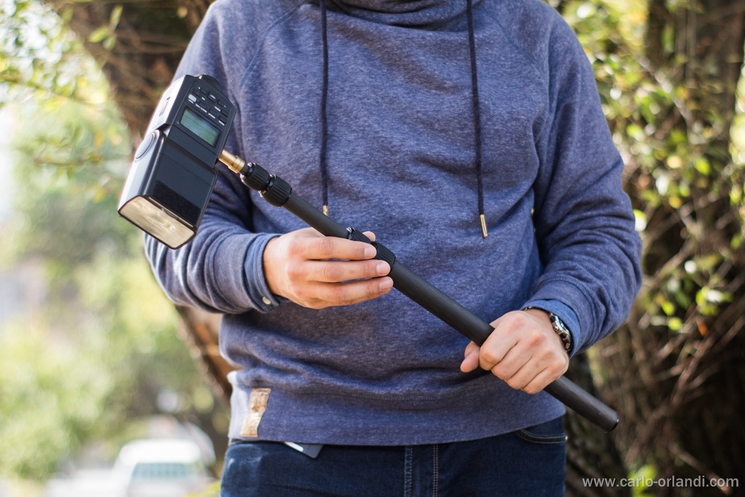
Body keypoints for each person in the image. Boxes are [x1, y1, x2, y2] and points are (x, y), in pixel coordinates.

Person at [145, 0, 642, 495]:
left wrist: (554, 319)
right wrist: (266, 265)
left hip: (504, 445)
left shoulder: (534, 32)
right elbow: (166, 229)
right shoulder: (240, 26)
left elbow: (601, 228)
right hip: (295, 449)